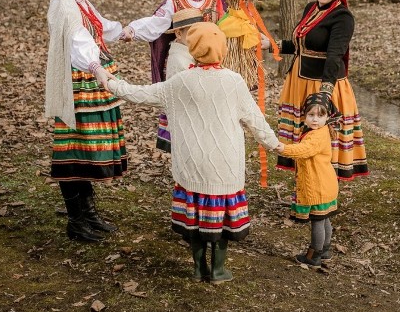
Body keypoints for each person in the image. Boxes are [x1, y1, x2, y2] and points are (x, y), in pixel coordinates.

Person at [98, 22, 284, 284]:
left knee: (195, 221)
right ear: (223, 49)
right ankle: (218, 270)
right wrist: (276, 144)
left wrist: (111, 82)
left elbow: (137, 94)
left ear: (193, 49)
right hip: (225, 165)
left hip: (191, 164)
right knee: (220, 222)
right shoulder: (234, 81)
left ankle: (199, 269)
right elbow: (256, 120)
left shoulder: (178, 83)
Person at [44, 0, 129, 243]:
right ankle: (76, 221)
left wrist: (129, 31)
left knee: (88, 149)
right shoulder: (62, 3)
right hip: (75, 83)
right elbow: (78, 40)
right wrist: (96, 68)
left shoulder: (82, 1)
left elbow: (101, 27)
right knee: (74, 149)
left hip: (90, 80)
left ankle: (89, 213)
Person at [276, 0, 368, 181]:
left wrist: (325, 93)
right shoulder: (311, 8)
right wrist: (272, 44)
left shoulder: (343, 17)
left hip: (323, 83)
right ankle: (304, 186)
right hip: (299, 81)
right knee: (302, 137)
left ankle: (321, 192)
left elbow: (334, 56)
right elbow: (301, 46)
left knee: (319, 137)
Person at [122, 0, 224, 152]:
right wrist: (132, 31)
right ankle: (184, 150)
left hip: (211, 61)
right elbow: (155, 24)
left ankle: (206, 151)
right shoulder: (176, 1)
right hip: (182, 59)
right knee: (186, 106)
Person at [279, 92, 340, 268]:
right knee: (325, 218)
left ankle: (314, 256)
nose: (315, 119)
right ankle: (325, 251)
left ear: (328, 117)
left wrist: (282, 148)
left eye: (320, 116)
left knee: (317, 221)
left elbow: (304, 150)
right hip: (326, 184)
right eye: (311, 115)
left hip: (318, 186)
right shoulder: (320, 131)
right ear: (304, 115)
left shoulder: (317, 136)